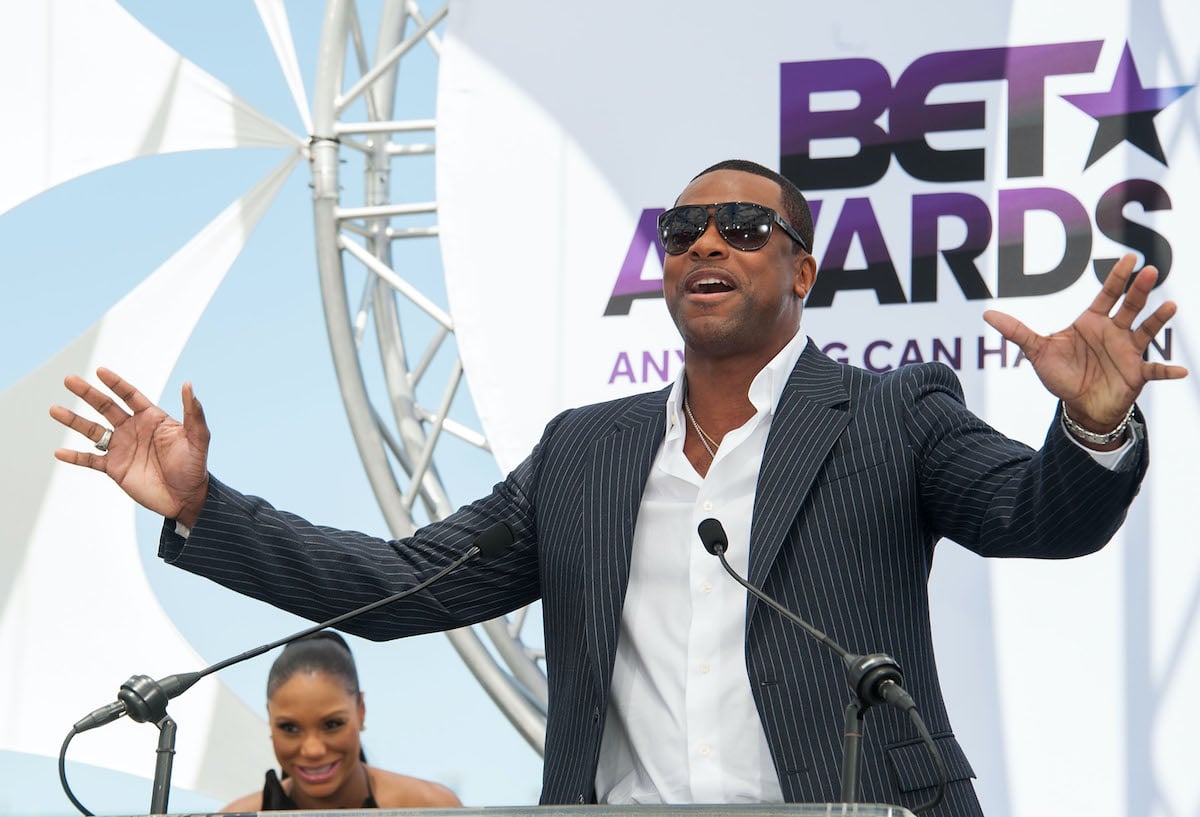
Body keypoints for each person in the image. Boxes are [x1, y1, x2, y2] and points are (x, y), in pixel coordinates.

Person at [50, 159, 1186, 816]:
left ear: (802, 268)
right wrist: (205, 507)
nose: (707, 243)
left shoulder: (891, 413)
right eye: (683, 229)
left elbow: (1036, 518)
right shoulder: (585, 453)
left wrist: (1092, 426)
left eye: (744, 228)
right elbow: (398, 588)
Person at [220, 631, 462, 812]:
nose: (313, 750)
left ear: (361, 711)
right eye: (290, 728)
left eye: (332, 724)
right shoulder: (235, 815)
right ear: (270, 723)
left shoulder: (431, 808)